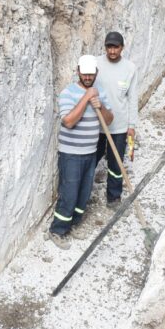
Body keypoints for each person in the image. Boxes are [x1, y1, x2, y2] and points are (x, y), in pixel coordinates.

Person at [49, 55, 112, 246]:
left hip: (90, 152)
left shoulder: (100, 93)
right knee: (69, 194)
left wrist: (99, 105)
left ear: (96, 74)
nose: (87, 77)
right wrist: (86, 98)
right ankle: (57, 230)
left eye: (90, 74)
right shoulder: (68, 93)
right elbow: (68, 122)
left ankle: (73, 224)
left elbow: (108, 121)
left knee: (84, 194)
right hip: (71, 154)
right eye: (84, 73)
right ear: (78, 71)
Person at [95, 32, 138, 205]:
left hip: (119, 126)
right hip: (97, 124)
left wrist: (132, 125)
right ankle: (81, 194)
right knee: (91, 159)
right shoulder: (96, 64)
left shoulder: (130, 68)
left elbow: (132, 98)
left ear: (122, 48)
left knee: (116, 163)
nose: (112, 51)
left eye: (116, 47)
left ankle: (113, 196)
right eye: (109, 47)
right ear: (105, 47)